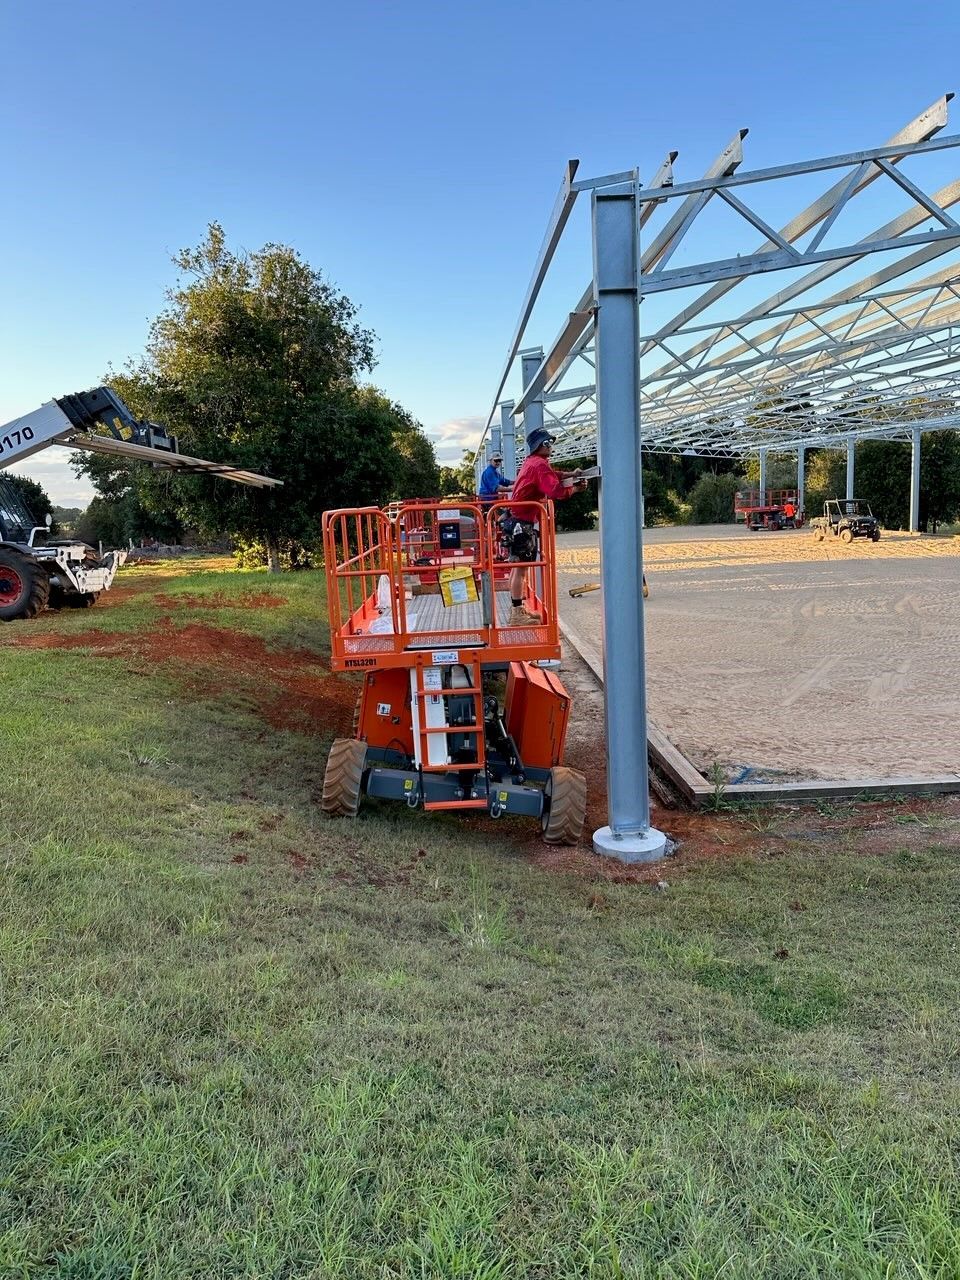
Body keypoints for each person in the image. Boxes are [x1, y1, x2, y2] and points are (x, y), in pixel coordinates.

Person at [505, 427, 587, 625]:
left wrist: (570, 474)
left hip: (516, 520)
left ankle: (517, 608)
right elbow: (555, 491)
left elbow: (552, 475)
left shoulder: (533, 462)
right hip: (522, 522)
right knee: (521, 569)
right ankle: (516, 615)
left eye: (551, 442)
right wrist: (575, 489)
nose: (550, 446)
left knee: (517, 568)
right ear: (538, 446)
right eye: (547, 443)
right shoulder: (540, 465)